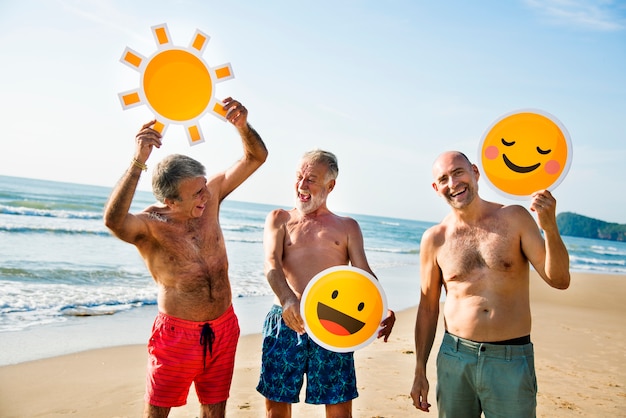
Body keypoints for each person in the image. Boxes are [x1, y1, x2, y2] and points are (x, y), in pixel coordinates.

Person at [103, 97, 268, 418]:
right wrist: (138, 160)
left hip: (223, 328)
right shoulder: (151, 226)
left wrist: (242, 126)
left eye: (204, 188)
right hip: (177, 337)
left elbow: (256, 156)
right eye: (196, 194)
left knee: (215, 410)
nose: (205, 197)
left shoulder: (213, 195)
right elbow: (113, 221)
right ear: (170, 201)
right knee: (158, 412)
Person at [410, 151, 570, 417]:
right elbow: (427, 308)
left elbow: (560, 279)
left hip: (510, 358)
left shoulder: (515, 218)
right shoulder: (434, 239)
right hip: (455, 357)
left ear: (475, 171)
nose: (453, 183)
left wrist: (550, 227)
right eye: (444, 179)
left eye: (459, 172)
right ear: (436, 188)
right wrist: (419, 370)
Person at [256, 149, 396, 418]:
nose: (301, 185)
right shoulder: (279, 219)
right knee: (276, 405)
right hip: (285, 320)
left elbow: (363, 274)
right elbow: (271, 265)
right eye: (299, 177)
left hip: (333, 324)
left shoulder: (347, 227)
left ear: (330, 185)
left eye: (311, 179)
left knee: (339, 406)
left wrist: (382, 308)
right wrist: (287, 299)